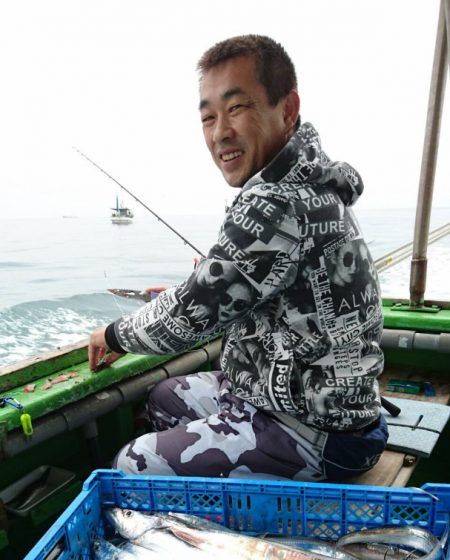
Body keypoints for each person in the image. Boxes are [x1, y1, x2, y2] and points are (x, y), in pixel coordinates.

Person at [89, 34, 388, 482]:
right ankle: (231, 481)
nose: (219, 132)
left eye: (236, 108)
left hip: (319, 433)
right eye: (208, 117)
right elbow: (225, 284)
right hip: (313, 403)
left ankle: (241, 508)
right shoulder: (309, 182)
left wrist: (112, 335)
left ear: (287, 110)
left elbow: (193, 313)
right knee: (165, 397)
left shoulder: (275, 201)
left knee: (131, 465)